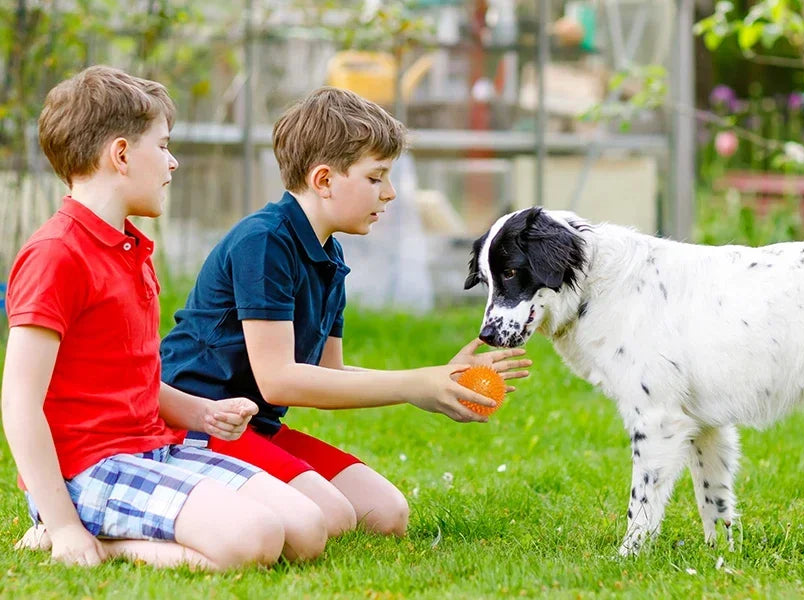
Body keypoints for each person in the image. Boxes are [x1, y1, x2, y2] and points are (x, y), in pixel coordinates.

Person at [160, 86, 530, 538]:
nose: (390, 193)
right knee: (331, 518)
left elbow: (327, 373)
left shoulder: (329, 255)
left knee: (386, 513)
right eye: (376, 178)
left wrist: (432, 379)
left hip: (256, 427)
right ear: (324, 180)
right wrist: (414, 384)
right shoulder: (265, 242)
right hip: (195, 424)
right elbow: (279, 378)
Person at [2, 66, 329, 569]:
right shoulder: (56, 254)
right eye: (163, 145)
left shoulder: (129, 248)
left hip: (154, 449)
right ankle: (69, 536)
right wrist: (66, 524)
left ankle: (87, 532)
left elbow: (126, 377)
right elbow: (20, 401)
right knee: (254, 541)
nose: (173, 162)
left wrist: (200, 414)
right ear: (122, 154)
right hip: (89, 468)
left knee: (308, 529)